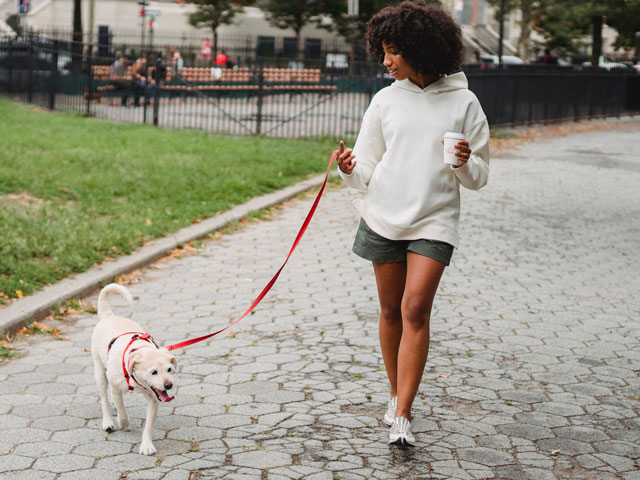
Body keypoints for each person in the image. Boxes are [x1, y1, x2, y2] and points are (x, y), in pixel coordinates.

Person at [336, 0, 490, 447]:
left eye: (392, 52)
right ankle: (394, 393)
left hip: (435, 220)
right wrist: (348, 167)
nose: (384, 61)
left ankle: (402, 414)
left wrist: (464, 163)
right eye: (382, 51)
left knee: (414, 309)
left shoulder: (464, 102)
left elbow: (480, 176)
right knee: (389, 311)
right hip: (383, 216)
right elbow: (364, 167)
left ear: (420, 49)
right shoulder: (385, 100)